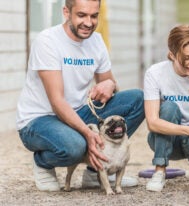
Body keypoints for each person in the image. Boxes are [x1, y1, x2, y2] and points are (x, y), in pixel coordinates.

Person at [16, 0, 144, 192]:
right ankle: (43, 163)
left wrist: (110, 84)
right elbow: (57, 102)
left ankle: (96, 171)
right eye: (82, 15)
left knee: (137, 99)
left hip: (78, 112)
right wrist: (88, 134)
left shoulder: (97, 41)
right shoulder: (47, 41)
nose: (89, 22)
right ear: (66, 12)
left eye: (94, 16)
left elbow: (110, 90)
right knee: (76, 147)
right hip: (39, 120)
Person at [143, 25, 189, 192]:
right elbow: (153, 123)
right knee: (169, 107)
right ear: (172, 55)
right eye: (186, 58)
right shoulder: (155, 74)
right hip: (165, 141)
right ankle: (160, 170)